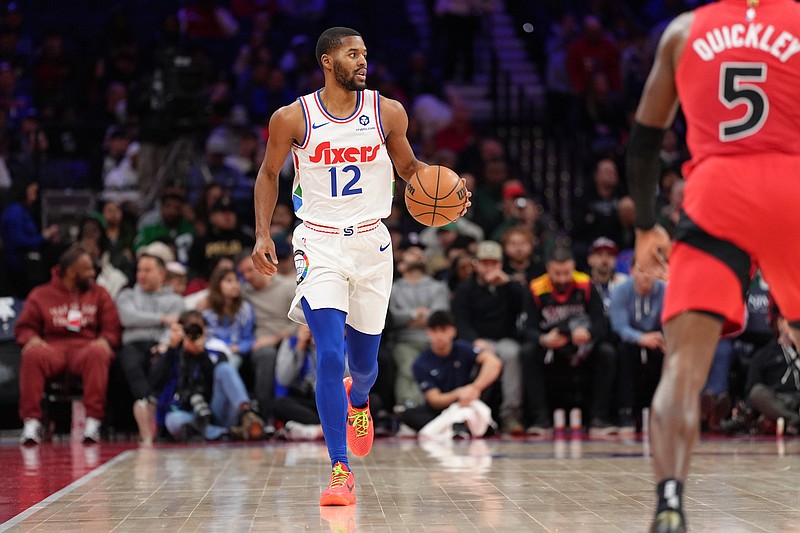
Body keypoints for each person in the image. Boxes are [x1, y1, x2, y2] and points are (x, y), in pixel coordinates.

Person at [250, 26, 470, 507]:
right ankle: (339, 469)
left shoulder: (387, 111)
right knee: (329, 353)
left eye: (365, 53)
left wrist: (447, 191)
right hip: (317, 244)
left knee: (364, 366)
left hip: (372, 243)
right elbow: (269, 173)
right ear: (328, 62)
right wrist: (264, 233)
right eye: (353, 54)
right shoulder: (293, 118)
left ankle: (359, 400)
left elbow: (410, 169)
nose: (363, 61)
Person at [625, 1, 800, 530]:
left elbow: (645, 140)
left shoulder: (682, 30)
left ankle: (670, 503)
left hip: (716, 193)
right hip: (791, 184)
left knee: (681, 368)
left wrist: (646, 225)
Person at [15, 245, 121, 444]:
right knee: (31, 354)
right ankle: (32, 423)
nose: (93, 273)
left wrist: (105, 341)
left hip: (85, 347)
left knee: (98, 352)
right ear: (72, 271)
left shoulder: (100, 294)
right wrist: (32, 338)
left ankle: (93, 422)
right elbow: (23, 328)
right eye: (87, 269)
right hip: (52, 347)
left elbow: (112, 328)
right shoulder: (41, 294)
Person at [400, 310, 502, 439]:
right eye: (434, 331)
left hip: (469, 401)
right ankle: (460, 425)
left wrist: (475, 388)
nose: (439, 336)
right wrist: (459, 393)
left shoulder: (462, 348)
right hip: (442, 408)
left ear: (452, 331)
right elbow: (435, 400)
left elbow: (494, 362)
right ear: (428, 333)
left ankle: (459, 425)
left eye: (443, 330)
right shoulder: (420, 363)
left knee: (483, 389)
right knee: (409, 415)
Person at [116, 253, 185, 445]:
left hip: (160, 345)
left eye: (147, 270)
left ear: (162, 274)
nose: (141, 275)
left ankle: (145, 410)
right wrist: (162, 319)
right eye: (139, 270)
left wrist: (163, 343)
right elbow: (128, 318)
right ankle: (147, 405)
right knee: (131, 363)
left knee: (167, 355)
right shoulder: (127, 295)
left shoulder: (176, 300)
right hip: (133, 344)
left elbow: (174, 325)